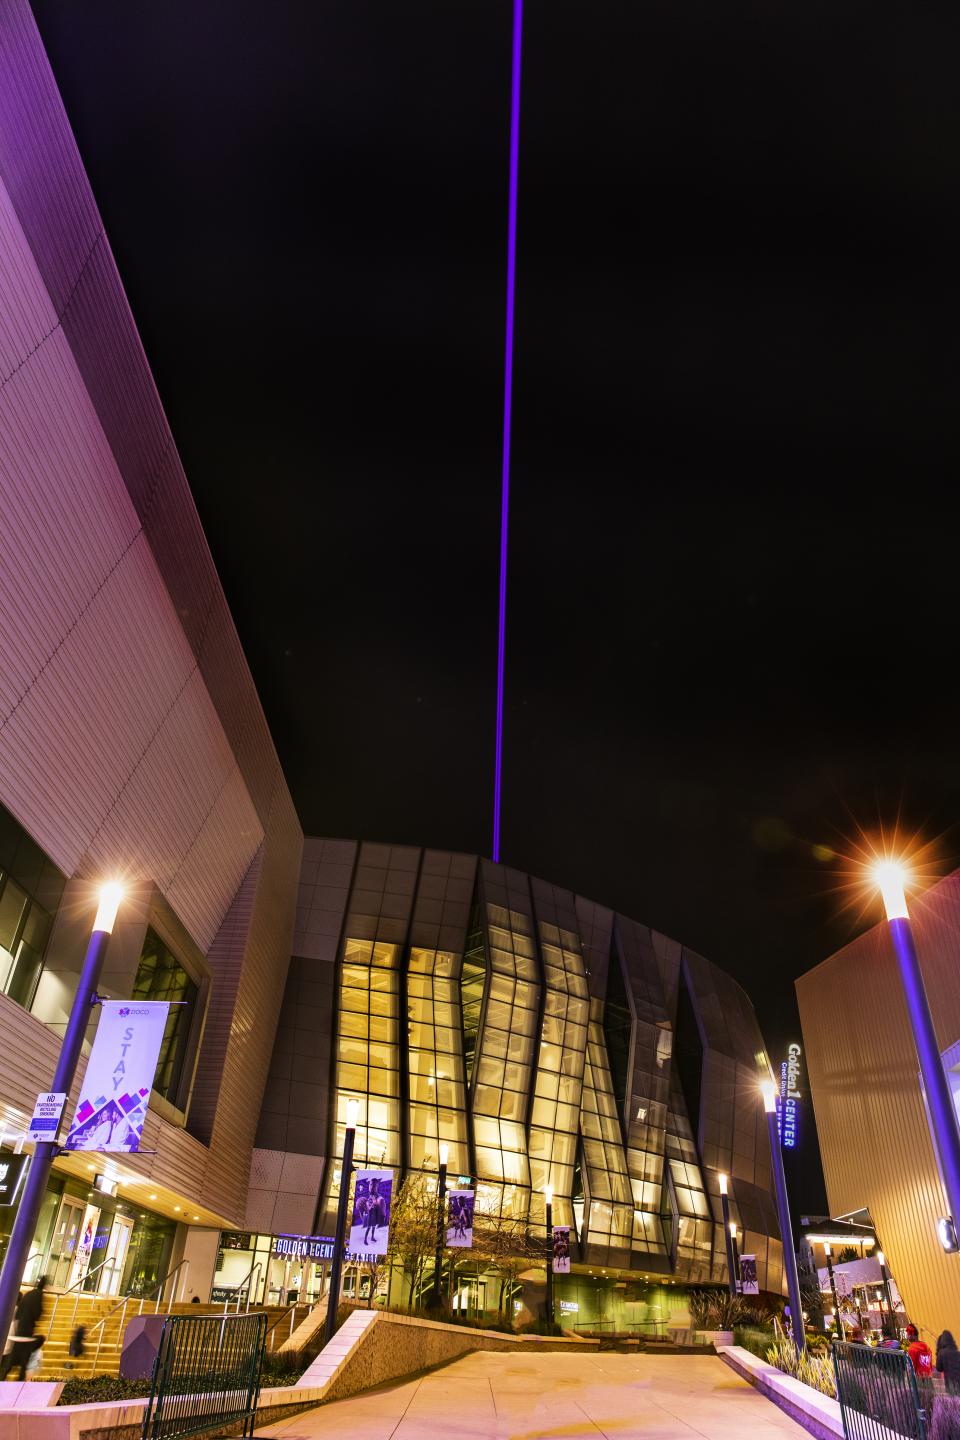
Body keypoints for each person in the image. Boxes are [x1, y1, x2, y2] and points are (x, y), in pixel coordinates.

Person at [0, 1277, 47, 1381]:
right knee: (23, 1364)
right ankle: (18, 1387)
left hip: (18, 1332)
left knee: (9, 1364)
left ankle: (2, 1381)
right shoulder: (39, 1295)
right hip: (27, 1334)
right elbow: (38, 1313)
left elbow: (18, 1313)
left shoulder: (28, 1294)